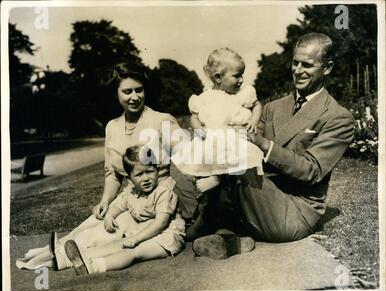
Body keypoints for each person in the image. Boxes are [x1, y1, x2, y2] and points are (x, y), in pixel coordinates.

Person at [189, 33, 356, 257]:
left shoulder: (338, 117)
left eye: (306, 65)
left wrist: (264, 144)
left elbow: (311, 171)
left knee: (237, 158)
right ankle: (227, 232)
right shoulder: (273, 108)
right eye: (295, 62)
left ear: (327, 68)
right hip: (259, 192)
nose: (297, 70)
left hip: (294, 208)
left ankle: (220, 228)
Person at [16, 61, 181, 270]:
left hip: (154, 204)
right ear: (116, 93)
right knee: (91, 224)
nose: (134, 97)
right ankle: (53, 252)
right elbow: (112, 174)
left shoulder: (162, 121)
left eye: (139, 90)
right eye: (127, 91)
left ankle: (56, 259)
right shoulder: (112, 127)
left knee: (99, 236)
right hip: (128, 198)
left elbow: (189, 161)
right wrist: (105, 201)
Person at [63, 145, 185, 275]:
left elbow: (161, 223)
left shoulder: (163, 191)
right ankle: (74, 259)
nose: (145, 178)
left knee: (132, 252)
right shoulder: (132, 191)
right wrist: (110, 216)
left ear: (157, 170)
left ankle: (93, 267)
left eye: (149, 171)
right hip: (145, 233)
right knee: (118, 244)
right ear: (129, 178)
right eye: (139, 174)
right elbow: (118, 206)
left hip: (166, 237)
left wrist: (137, 238)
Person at [171, 48, 264, 192]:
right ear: (218, 77)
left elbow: (257, 105)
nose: (241, 80)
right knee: (205, 158)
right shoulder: (204, 98)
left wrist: (254, 120)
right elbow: (194, 118)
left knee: (232, 158)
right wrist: (197, 128)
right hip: (212, 136)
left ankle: (218, 179)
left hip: (234, 136)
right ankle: (210, 178)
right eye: (236, 76)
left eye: (242, 75)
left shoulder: (242, 94)